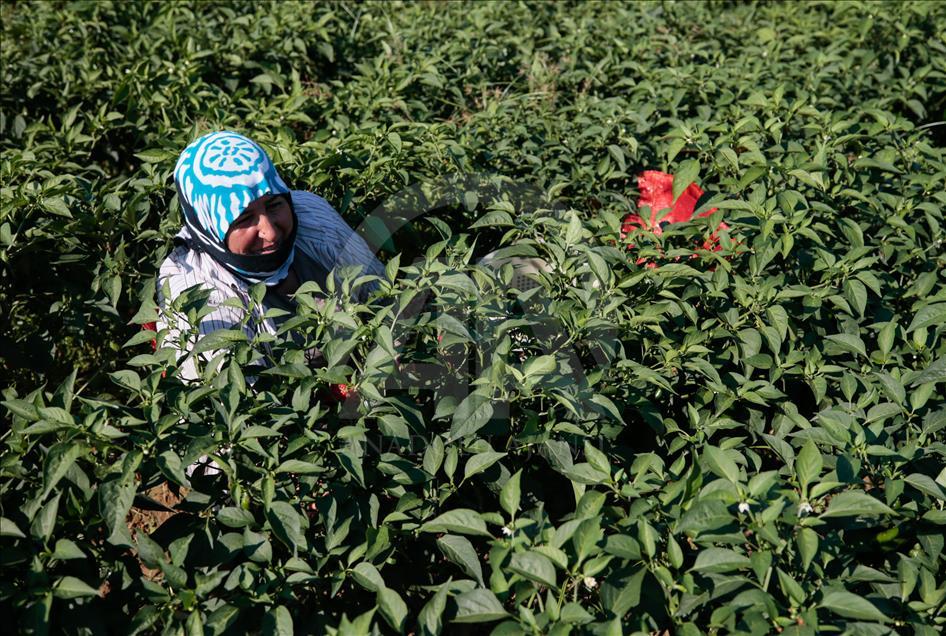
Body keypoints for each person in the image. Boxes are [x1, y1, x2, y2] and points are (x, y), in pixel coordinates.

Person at [157, 130, 384, 379]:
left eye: (274, 204)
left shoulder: (312, 215)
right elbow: (237, 404)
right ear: (210, 225)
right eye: (244, 218)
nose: (271, 232)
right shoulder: (194, 289)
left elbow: (383, 295)